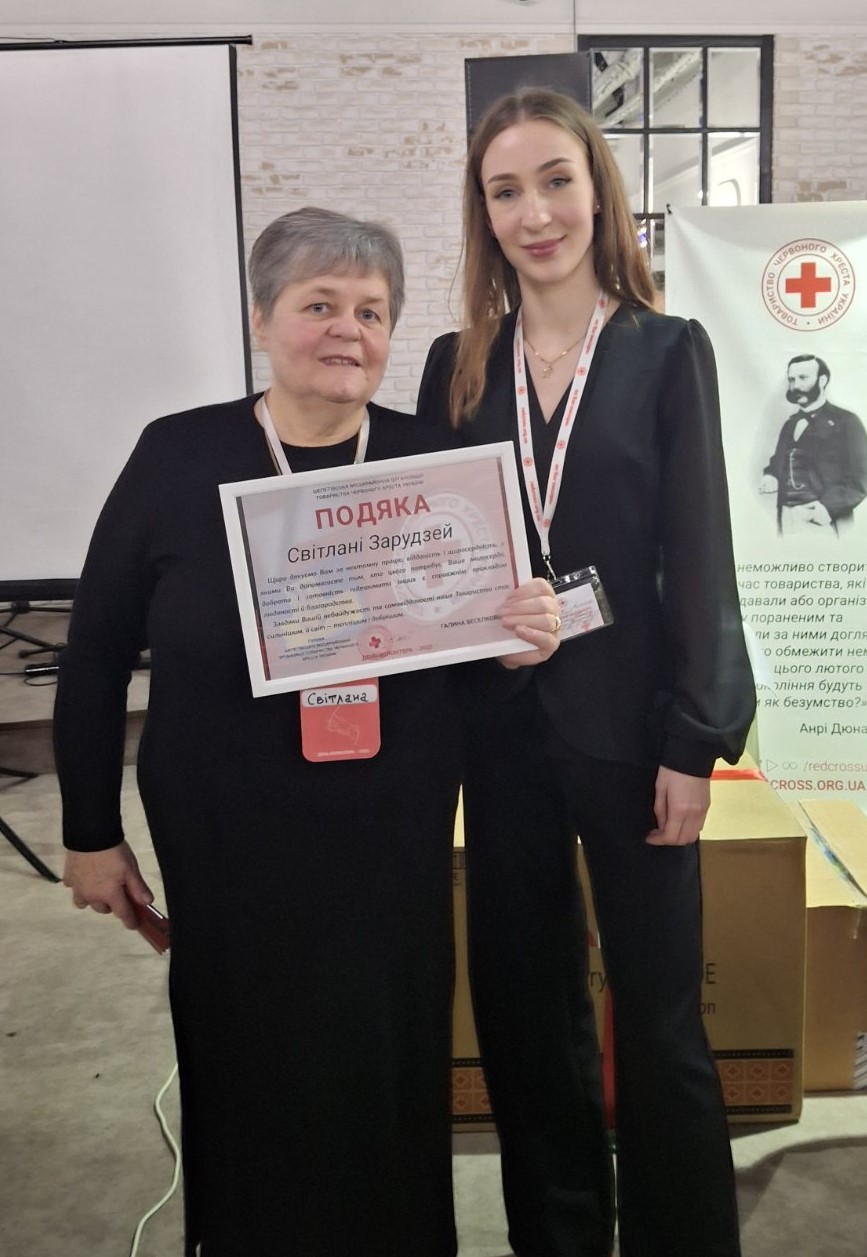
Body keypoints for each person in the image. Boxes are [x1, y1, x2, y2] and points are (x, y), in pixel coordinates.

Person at [56, 206, 561, 1257]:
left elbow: (481, 669)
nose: (347, 330)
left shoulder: (436, 466)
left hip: (388, 832)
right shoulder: (178, 454)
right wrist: (90, 832)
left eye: (371, 312)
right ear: (261, 318)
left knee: (388, 1050)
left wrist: (518, 646)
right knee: (244, 1048)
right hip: (226, 833)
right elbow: (95, 652)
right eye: (319, 304)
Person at [417, 89, 756, 1257]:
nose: (536, 213)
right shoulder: (458, 365)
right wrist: (477, 628)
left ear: (597, 192)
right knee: (526, 1018)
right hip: (502, 736)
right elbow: (433, 556)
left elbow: (700, 555)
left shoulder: (665, 351)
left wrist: (695, 742)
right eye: (506, 191)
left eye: (555, 181)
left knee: (658, 1022)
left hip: (634, 734)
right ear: (484, 214)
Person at [759, 352, 867, 534]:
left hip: (826, 520)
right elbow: (779, 461)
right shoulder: (790, 424)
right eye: (792, 379)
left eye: (803, 378)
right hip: (785, 517)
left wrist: (827, 508)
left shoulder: (847, 422)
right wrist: (771, 475)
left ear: (822, 380)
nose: (796, 386)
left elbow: (861, 478)